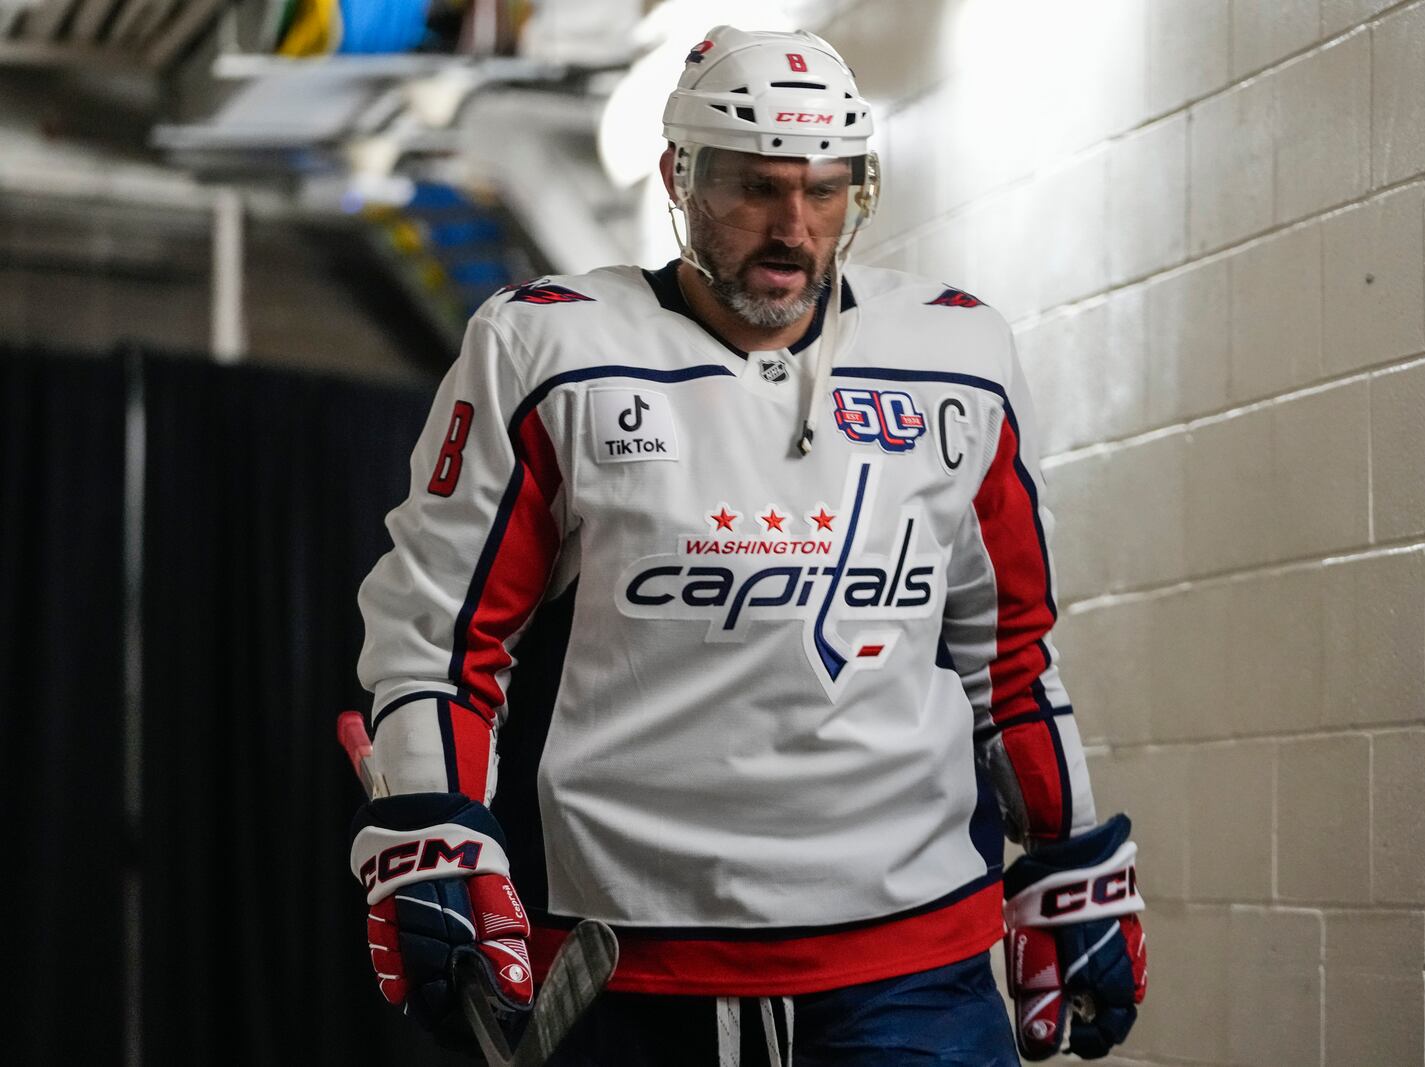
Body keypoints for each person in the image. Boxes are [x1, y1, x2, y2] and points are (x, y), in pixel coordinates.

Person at [348, 24, 1147, 1066]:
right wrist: (428, 825)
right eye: (753, 189)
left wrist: (1067, 850)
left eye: (825, 190)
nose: (792, 227)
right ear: (678, 176)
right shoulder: (546, 348)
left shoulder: (960, 355)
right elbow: (439, 634)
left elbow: (1010, 653)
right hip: (626, 963)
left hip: (911, 967)